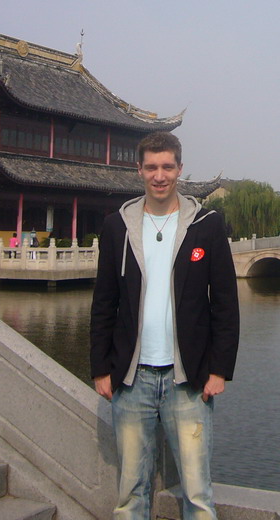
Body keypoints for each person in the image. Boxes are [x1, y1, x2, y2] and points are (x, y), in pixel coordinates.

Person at [90, 132, 239, 519]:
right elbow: (104, 302)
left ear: (180, 170)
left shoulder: (205, 225)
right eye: (152, 167)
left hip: (186, 379)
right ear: (139, 170)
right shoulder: (117, 226)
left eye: (167, 167)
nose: (160, 176)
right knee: (130, 493)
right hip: (131, 378)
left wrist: (219, 370)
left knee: (197, 492)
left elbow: (225, 304)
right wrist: (100, 368)